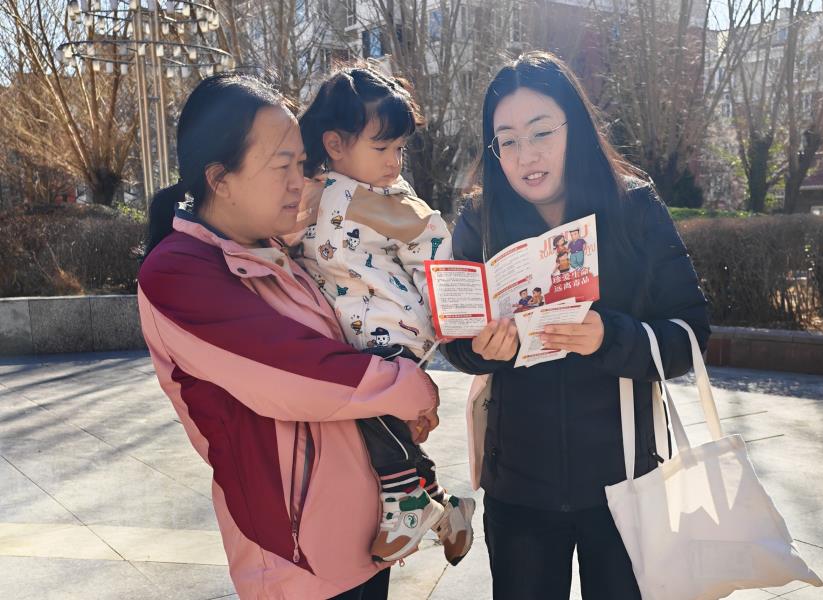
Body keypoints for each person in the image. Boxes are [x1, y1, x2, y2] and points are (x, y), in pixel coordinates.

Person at [138, 73, 440, 600]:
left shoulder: (284, 253)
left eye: (301, 164)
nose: (300, 182)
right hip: (296, 557)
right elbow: (296, 374)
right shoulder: (179, 272)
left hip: (364, 536)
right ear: (220, 178)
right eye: (282, 166)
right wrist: (408, 387)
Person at [441, 51, 711, 600]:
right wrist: (484, 349)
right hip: (519, 488)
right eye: (507, 140)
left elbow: (690, 334)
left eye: (542, 132)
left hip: (625, 481)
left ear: (576, 128)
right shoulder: (480, 218)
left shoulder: (634, 206)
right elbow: (455, 337)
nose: (527, 155)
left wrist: (610, 337)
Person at [296, 66, 475, 566]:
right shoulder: (314, 189)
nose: (394, 162)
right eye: (382, 148)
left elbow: (431, 243)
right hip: (356, 334)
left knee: (371, 410)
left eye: (399, 149)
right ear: (334, 143)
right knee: (378, 422)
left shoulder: (380, 199)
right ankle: (444, 507)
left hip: (392, 329)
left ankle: (405, 502)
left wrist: (449, 311)